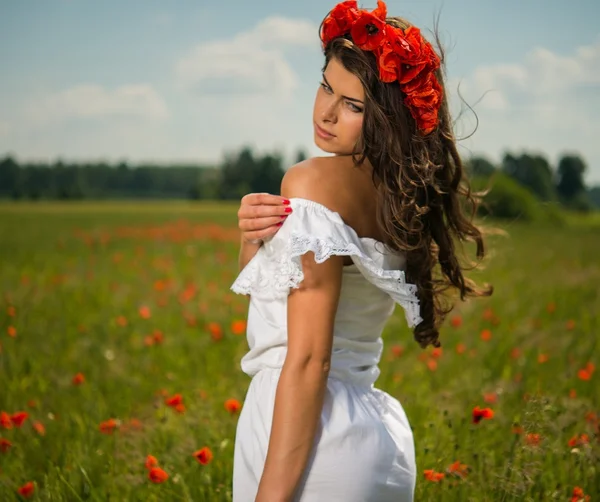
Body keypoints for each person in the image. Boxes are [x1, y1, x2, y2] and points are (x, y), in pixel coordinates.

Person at [230, 1, 493, 500]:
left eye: (353, 105)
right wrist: (252, 240)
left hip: (310, 440)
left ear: (388, 118)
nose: (326, 111)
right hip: (369, 435)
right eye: (326, 85)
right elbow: (278, 309)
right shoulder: (394, 192)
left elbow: (307, 361)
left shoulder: (311, 182)